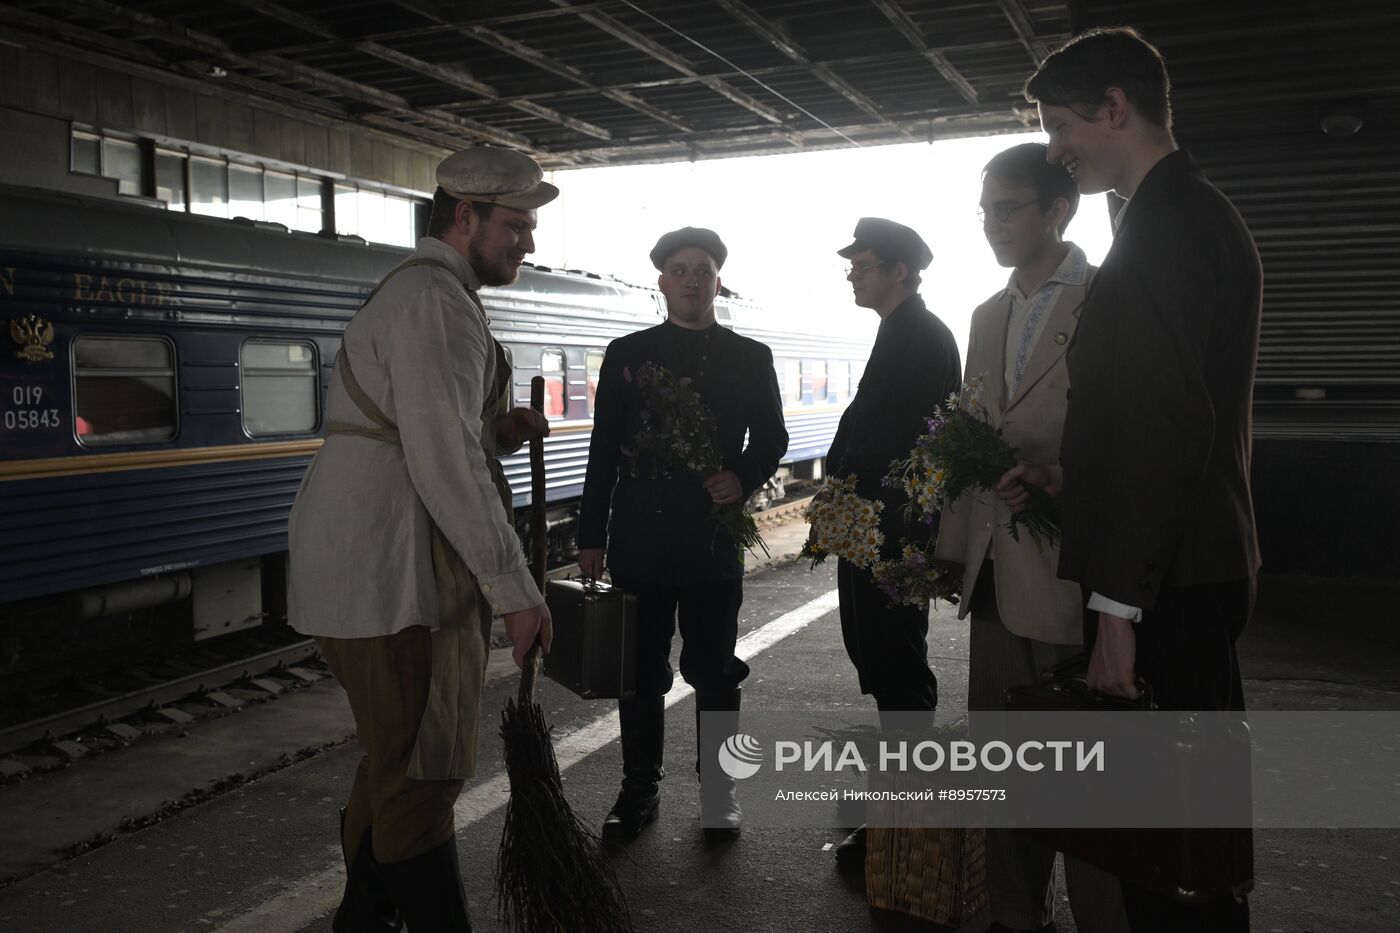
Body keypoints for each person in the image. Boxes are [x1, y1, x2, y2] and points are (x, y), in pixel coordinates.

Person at [1013, 27, 1262, 932]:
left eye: (1060, 125)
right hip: (1186, 570)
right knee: (1186, 846)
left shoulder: (1164, 227)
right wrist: (1072, 472)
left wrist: (1118, 611)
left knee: (1173, 861)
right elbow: (1157, 409)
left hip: (1163, 585)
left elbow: (1165, 424)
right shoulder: (1178, 214)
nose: (1054, 148)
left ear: (1114, 107)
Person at [288, 147, 557, 932]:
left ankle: (361, 922)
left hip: (377, 563)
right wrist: (517, 591)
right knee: (422, 776)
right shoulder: (436, 302)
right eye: (516, 225)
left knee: (395, 765)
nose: (528, 242)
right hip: (394, 573)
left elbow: (436, 430)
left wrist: (497, 430)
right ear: (465, 215)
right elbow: (443, 461)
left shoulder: (431, 293)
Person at [934, 142, 1128, 933]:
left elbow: (1139, 438)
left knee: (1081, 768)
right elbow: (969, 436)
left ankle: (1103, 919)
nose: (992, 225)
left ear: (1058, 210)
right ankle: (1015, 914)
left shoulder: (1109, 298)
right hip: (992, 576)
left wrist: (1060, 477)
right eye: (984, 212)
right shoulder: (986, 314)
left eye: (1006, 209)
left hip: (1072, 573)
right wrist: (951, 552)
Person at [576, 227, 787, 844]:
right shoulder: (627, 353)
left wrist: (741, 476)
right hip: (639, 538)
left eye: (703, 270)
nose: (692, 280)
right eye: (680, 269)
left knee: (715, 669)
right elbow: (602, 451)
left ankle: (719, 794)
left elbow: (771, 438)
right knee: (640, 672)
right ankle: (639, 789)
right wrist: (591, 535)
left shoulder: (751, 357)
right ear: (662, 283)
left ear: (719, 282)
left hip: (711, 540)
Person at [824, 217, 961, 867]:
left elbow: (908, 443)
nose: (852, 275)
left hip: (894, 533)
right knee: (883, 662)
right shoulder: (902, 331)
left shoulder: (921, 336)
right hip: (873, 528)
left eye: (863, 265)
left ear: (898, 271)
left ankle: (900, 822)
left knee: (898, 667)